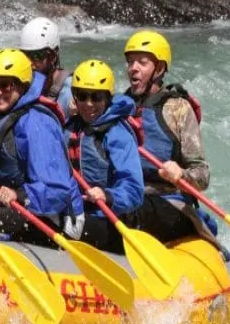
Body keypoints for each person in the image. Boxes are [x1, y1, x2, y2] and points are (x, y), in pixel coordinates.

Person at [122, 29, 214, 244]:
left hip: (169, 202)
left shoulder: (178, 109)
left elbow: (202, 174)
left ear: (160, 68)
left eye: (141, 63)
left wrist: (181, 174)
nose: (133, 69)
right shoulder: (119, 106)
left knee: (131, 210)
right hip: (128, 195)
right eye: (130, 62)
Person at [0, 49, 84, 246]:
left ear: (23, 85)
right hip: (21, 205)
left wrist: (19, 195)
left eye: (5, 85)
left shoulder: (36, 123)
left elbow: (57, 191)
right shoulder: (1, 115)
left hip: (57, 218)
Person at [65, 59, 144, 253]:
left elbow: (134, 190)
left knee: (60, 225)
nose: (88, 104)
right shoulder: (69, 128)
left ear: (108, 98)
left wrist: (107, 195)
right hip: (78, 211)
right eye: (82, 97)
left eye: (96, 97)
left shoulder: (117, 134)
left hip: (110, 219)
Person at [20, 16, 72, 119]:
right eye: (25, 56)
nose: (30, 63)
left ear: (52, 57)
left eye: (37, 56)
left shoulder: (69, 91)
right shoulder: (21, 83)